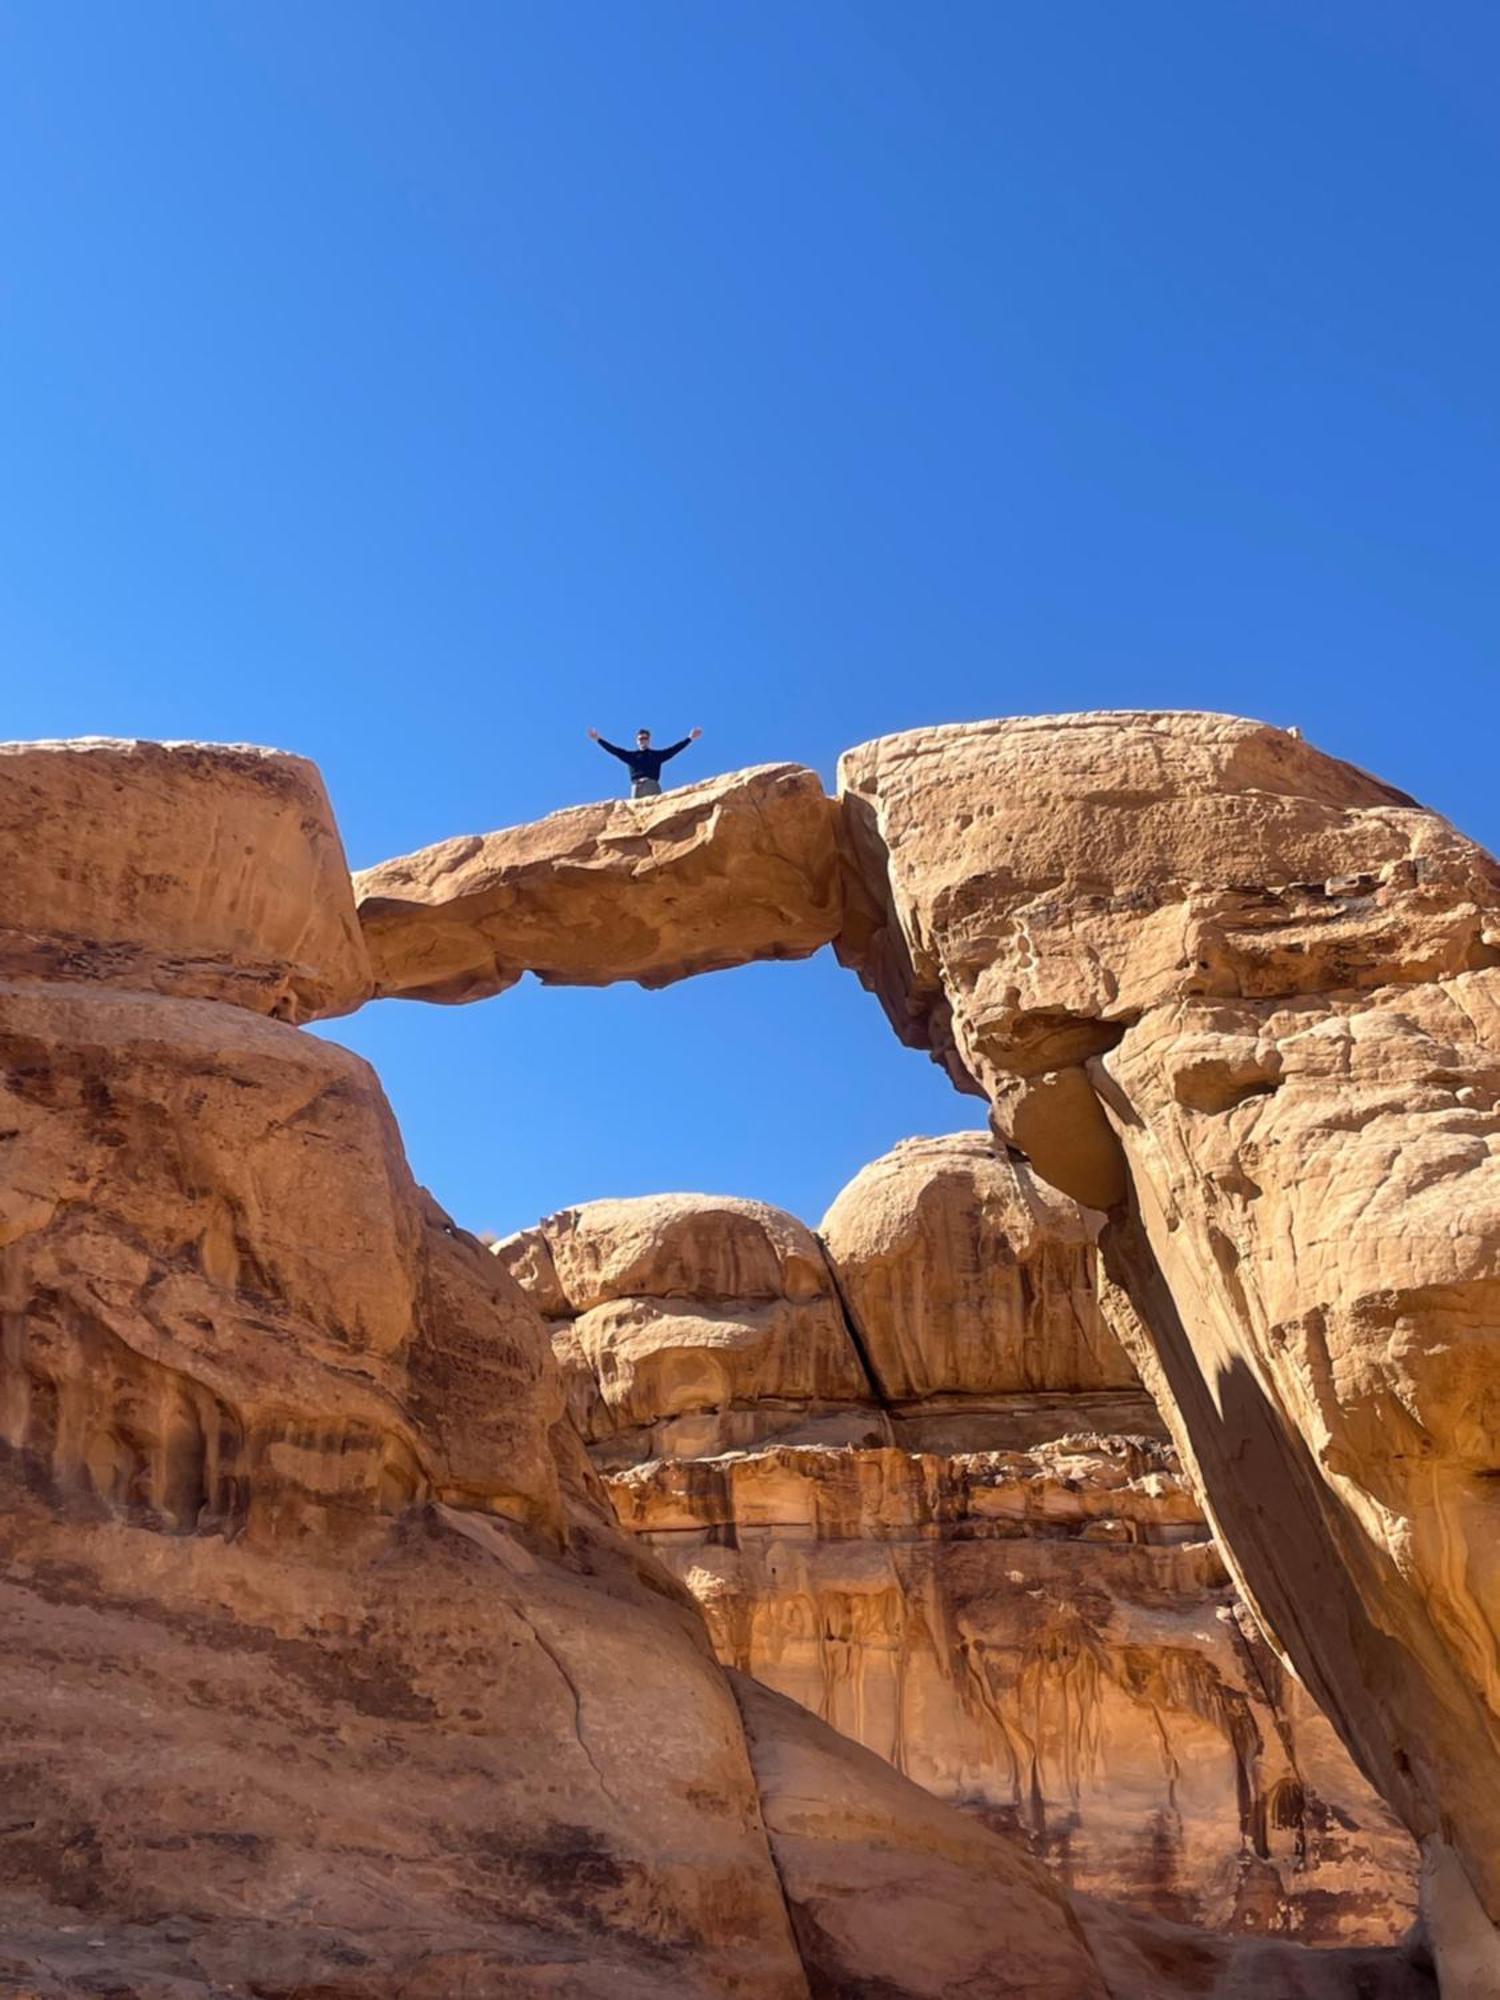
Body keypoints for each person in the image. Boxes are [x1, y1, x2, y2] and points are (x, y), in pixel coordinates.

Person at [588, 725, 702, 798]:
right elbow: (614, 750)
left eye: (645, 738)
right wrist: (598, 739)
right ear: (637, 741)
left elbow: (673, 750)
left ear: (649, 740)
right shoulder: (631, 756)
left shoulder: (656, 756)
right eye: (640, 738)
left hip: (651, 785)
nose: (643, 740)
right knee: (636, 815)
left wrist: (689, 738)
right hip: (636, 786)